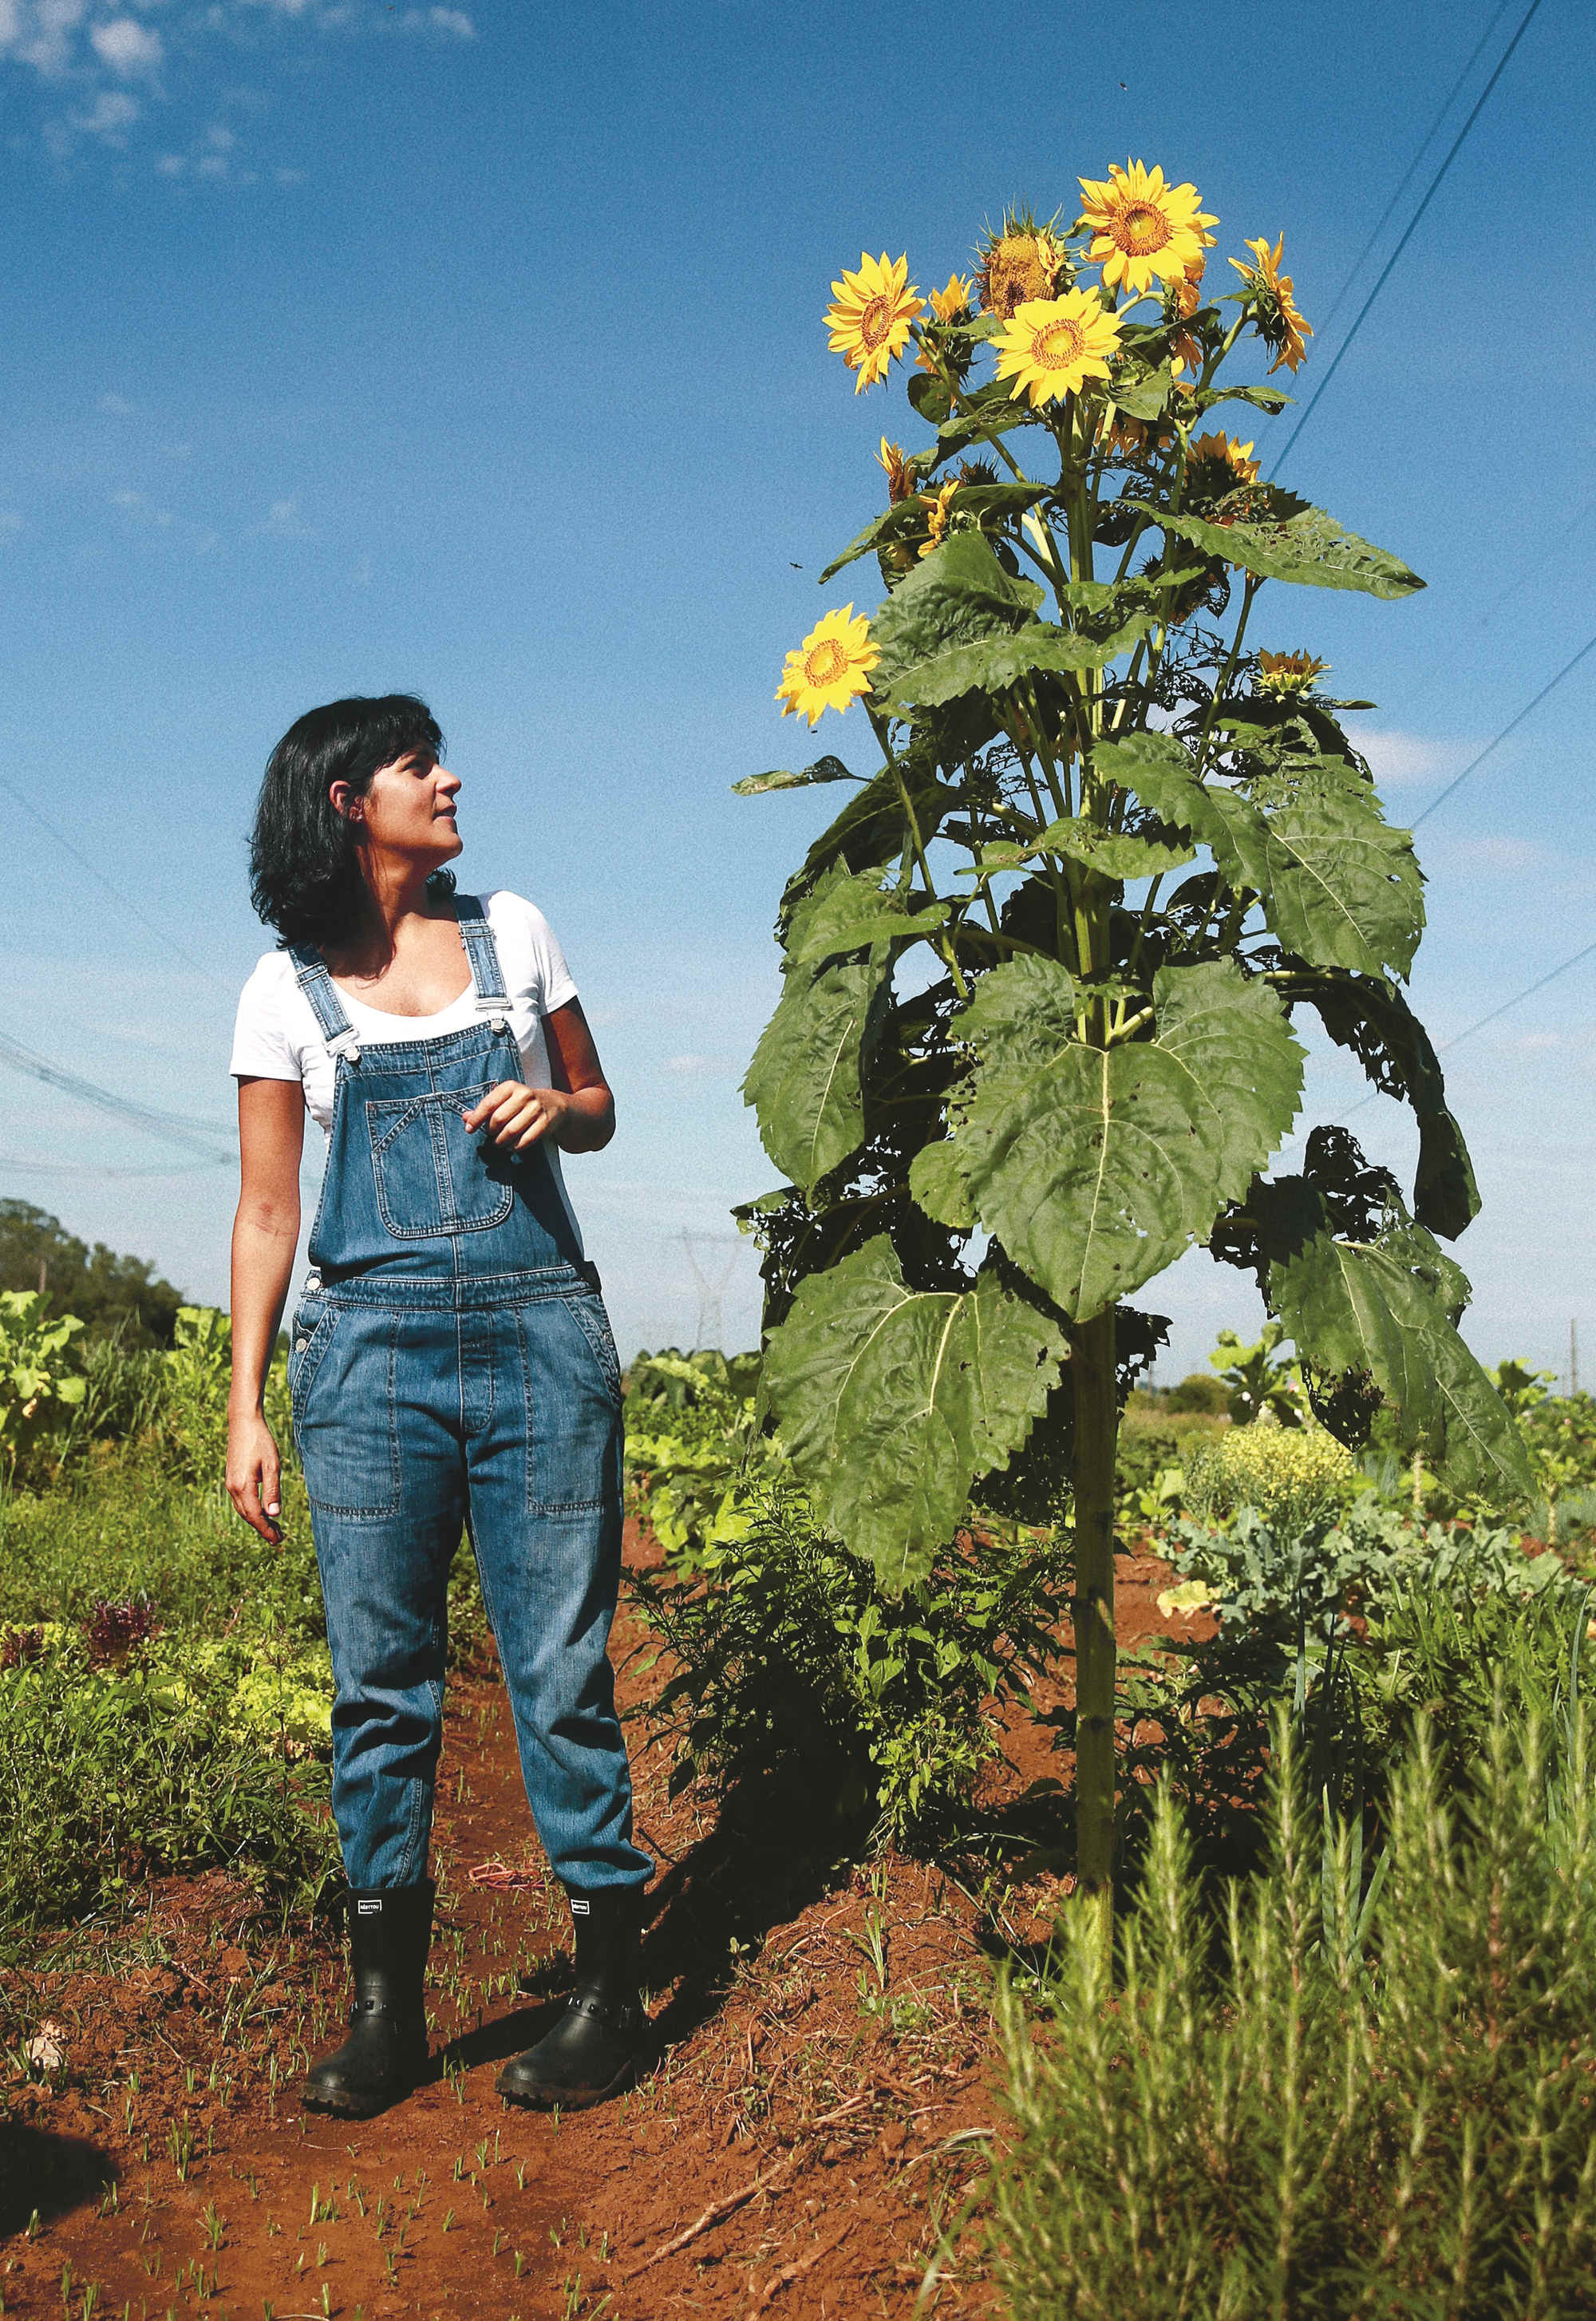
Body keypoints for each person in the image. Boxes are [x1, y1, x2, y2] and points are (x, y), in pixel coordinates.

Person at [226, 694, 650, 2121]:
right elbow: (270, 1208)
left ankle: (607, 1992)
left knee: (558, 1670)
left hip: (540, 1338)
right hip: (365, 1364)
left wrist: (556, 1109)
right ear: (348, 800)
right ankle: (386, 2013)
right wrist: (246, 1405)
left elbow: (598, 1101)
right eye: (419, 763)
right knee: (380, 1690)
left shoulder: (513, 932)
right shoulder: (281, 988)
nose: (451, 775)